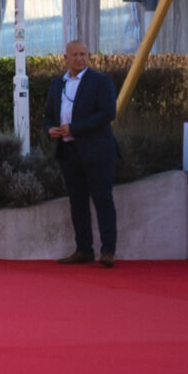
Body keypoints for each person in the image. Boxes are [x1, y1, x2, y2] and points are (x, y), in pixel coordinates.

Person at [43, 38, 119, 267]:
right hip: (68, 151)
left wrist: (75, 128)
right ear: (65, 57)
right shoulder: (58, 84)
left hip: (97, 151)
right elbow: (48, 114)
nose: (80, 58)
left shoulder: (100, 81)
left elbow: (108, 113)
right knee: (77, 202)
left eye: (83, 54)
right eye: (75, 54)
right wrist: (50, 129)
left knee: (102, 199)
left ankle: (108, 251)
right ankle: (84, 250)